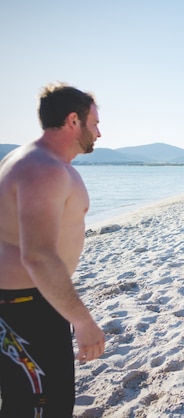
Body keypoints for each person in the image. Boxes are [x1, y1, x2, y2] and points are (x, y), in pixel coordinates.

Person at [0, 83, 106, 416]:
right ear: (73, 121)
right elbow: (38, 255)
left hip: (32, 302)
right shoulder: (42, 169)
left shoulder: (35, 160)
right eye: (95, 123)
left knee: (39, 400)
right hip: (24, 308)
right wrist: (83, 321)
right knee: (40, 406)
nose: (99, 133)